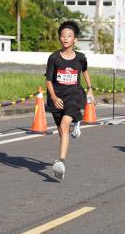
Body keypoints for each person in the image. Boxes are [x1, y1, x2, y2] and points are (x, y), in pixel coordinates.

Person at [45, 21, 94, 180]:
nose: (65, 38)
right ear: (59, 38)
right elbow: (48, 80)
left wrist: (90, 88)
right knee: (62, 131)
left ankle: (61, 162)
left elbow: (85, 71)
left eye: (69, 36)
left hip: (74, 95)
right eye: (62, 35)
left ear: (75, 40)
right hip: (57, 98)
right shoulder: (54, 58)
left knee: (65, 126)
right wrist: (53, 97)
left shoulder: (80, 58)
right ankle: (75, 126)